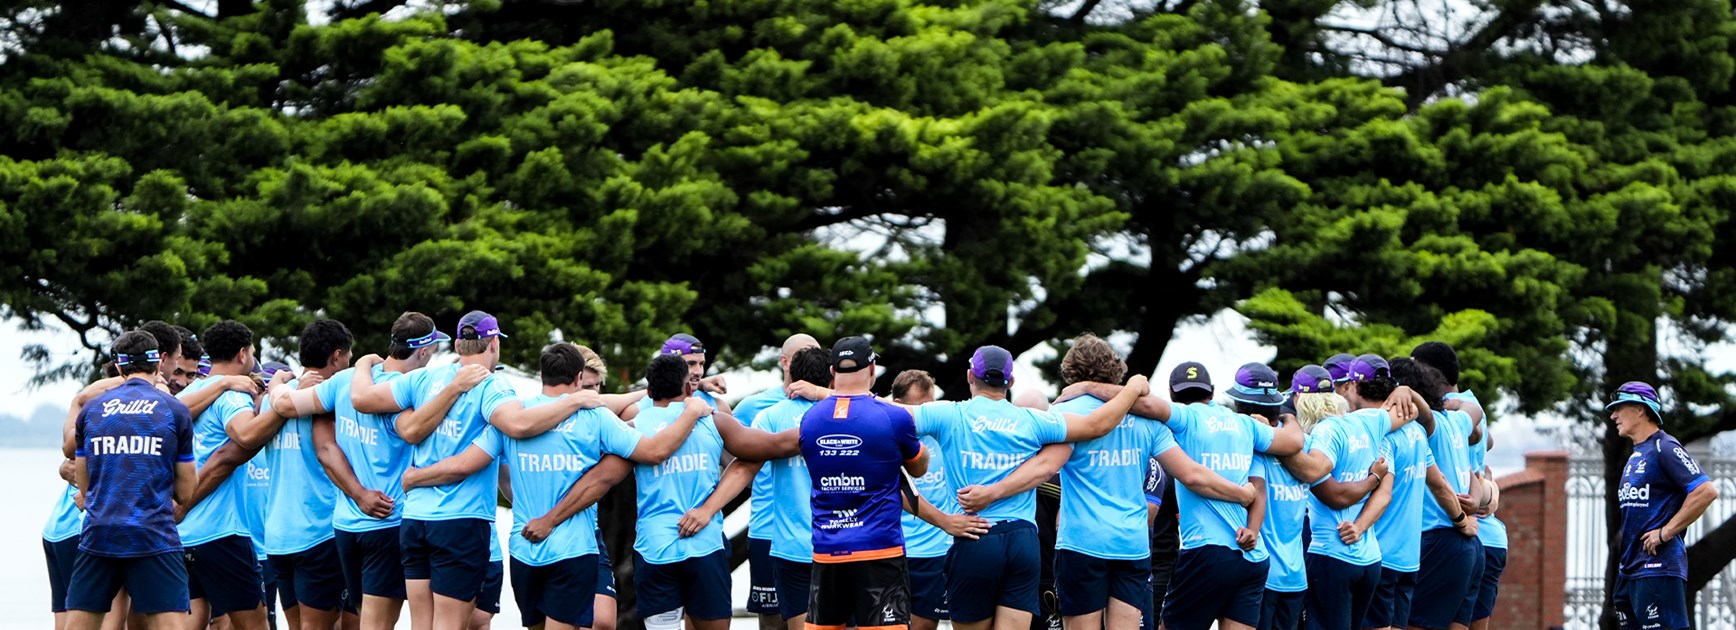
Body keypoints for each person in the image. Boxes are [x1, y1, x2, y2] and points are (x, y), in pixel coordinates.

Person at [283, 310, 596, 630]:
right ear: (492, 345)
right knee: (452, 624)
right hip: (456, 521)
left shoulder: (421, 379)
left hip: (415, 519)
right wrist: (577, 402)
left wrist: (361, 363)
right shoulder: (492, 386)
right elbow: (516, 425)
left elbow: (361, 400)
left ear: (458, 345)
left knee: (419, 623)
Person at [402, 342, 709, 630]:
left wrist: (416, 477)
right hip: (573, 549)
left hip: (523, 549)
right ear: (579, 377)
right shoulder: (595, 417)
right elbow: (654, 451)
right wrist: (692, 410)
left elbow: (463, 465)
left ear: (541, 376)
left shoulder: (515, 416)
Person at [906, 344, 1152, 630]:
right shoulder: (1033, 419)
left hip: (974, 535)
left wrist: (845, 396)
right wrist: (1131, 388)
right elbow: (1098, 425)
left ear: (970, 376)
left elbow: (888, 414)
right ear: (1010, 382)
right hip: (1023, 542)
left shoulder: (947, 413)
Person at [1047, 335, 1258, 630]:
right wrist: (1241, 493)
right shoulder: (1147, 421)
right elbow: (1192, 475)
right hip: (1132, 543)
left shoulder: (1062, 411)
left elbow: (1043, 469)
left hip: (1083, 541)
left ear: (1070, 370)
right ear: (1114, 369)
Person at [309, 312, 447, 630]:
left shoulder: (344, 381)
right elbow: (414, 431)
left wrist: (277, 387)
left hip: (345, 525)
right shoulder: (404, 391)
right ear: (424, 351)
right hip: (387, 520)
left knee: (362, 621)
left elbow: (291, 409)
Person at [1274, 354, 1424, 630]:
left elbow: (1331, 491)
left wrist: (1277, 442)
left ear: (1300, 400)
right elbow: (1411, 411)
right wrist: (1403, 391)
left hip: (1333, 554)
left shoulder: (1322, 435)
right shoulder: (1366, 421)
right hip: (1369, 560)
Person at [61, 331, 198, 630]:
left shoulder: (93, 411)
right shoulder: (174, 410)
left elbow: (85, 486)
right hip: (154, 535)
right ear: (159, 363)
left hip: (100, 534)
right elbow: (187, 491)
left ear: (118, 367)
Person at [229, 320, 355, 630]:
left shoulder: (276, 397)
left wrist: (276, 385)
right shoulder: (329, 397)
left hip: (279, 536)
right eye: (349, 356)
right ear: (337, 356)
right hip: (318, 530)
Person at [708, 346, 832, 628]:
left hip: (790, 544)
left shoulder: (771, 415)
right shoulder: (850, 413)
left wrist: (707, 510)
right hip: (838, 541)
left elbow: (743, 464)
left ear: (791, 371)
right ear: (832, 376)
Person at [174, 321, 276, 630]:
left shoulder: (191, 392)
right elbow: (245, 434)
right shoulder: (233, 394)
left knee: (194, 621)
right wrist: (281, 404)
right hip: (222, 531)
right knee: (255, 624)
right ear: (243, 354)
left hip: (181, 535)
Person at [1608, 381, 1719, 630]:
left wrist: (1665, 532)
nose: (1613, 415)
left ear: (1640, 409)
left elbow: (1705, 491)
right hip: (1630, 571)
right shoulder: (1636, 455)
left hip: (1657, 569)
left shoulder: (1664, 447)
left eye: (1619, 407)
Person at [1412, 341, 1505, 630]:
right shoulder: (1470, 406)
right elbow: (1483, 449)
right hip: (1483, 538)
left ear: (1428, 374)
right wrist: (1479, 498)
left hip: (1452, 533)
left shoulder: (1440, 416)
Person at [734, 334, 821, 630]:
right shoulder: (755, 407)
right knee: (772, 620)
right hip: (768, 527)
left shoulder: (836, 406)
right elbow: (737, 457)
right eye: (801, 355)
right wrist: (755, 483)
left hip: (823, 532)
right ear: (784, 361)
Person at [1363, 358, 1444, 630]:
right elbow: (1440, 483)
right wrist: (1460, 518)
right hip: (1409, 558)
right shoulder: (1418, 432)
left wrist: (1357, 526)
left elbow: (1383, 492)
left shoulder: (1385, 436)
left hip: (1382, 554)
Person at [1256, 365, 1336, 630]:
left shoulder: (1274, 444)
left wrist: (1281, 428)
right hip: (1295, 572)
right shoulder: (1320, 442)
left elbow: (1313, 473)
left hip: (1271, 573)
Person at [891, 369, 955, 630]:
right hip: (895, 550)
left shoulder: (945, 431)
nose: (926, 415)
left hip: (937, 552)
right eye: (919, 408)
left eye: (930, 406)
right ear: (897, 406)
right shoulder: (885, 438)